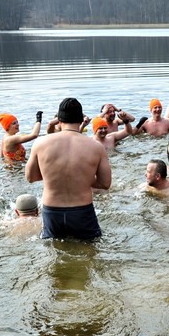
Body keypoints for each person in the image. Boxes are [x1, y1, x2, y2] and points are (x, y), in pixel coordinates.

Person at [25, 97, 111, 240]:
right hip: (82, 211)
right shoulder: (96, 147)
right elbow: (105, 184)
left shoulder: (40, 143)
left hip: (52, 212)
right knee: (90, 255)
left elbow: (30, 177)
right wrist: (83, 178)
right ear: (81, 118)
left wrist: (52, 175)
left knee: (55, 254)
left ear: (59, 119)